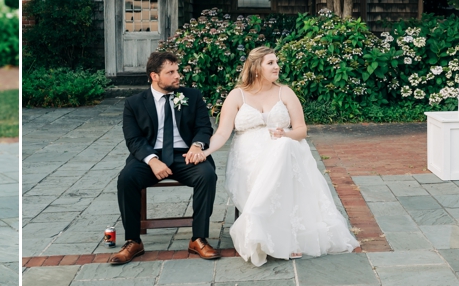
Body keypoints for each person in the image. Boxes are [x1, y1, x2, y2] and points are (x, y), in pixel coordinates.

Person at [202, 46, 359, 266]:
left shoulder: (285, 92)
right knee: (283, 151)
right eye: (270, 63)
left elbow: (301, 130)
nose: (277, 67)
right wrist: (205, 151)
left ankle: (275, 227)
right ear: (256, 67)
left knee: (285, 146)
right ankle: (263, 224)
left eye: (276, 62)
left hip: (284, 150)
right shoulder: (237, 95)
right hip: (249, 157)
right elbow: (222, 133)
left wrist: (285, 133)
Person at [111, 51, 221, 265]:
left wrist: (197, 146)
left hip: (185, 154)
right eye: (170, 72)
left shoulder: (192, 95)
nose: (177, 75)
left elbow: (203, 127)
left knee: (207, 175)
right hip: (151, 155)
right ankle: (133, 241)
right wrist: (152, 160)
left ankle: (198, 238)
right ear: (154, 76)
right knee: (126, 179)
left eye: (177, 70)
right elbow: (133, 139)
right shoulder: (134, 103)